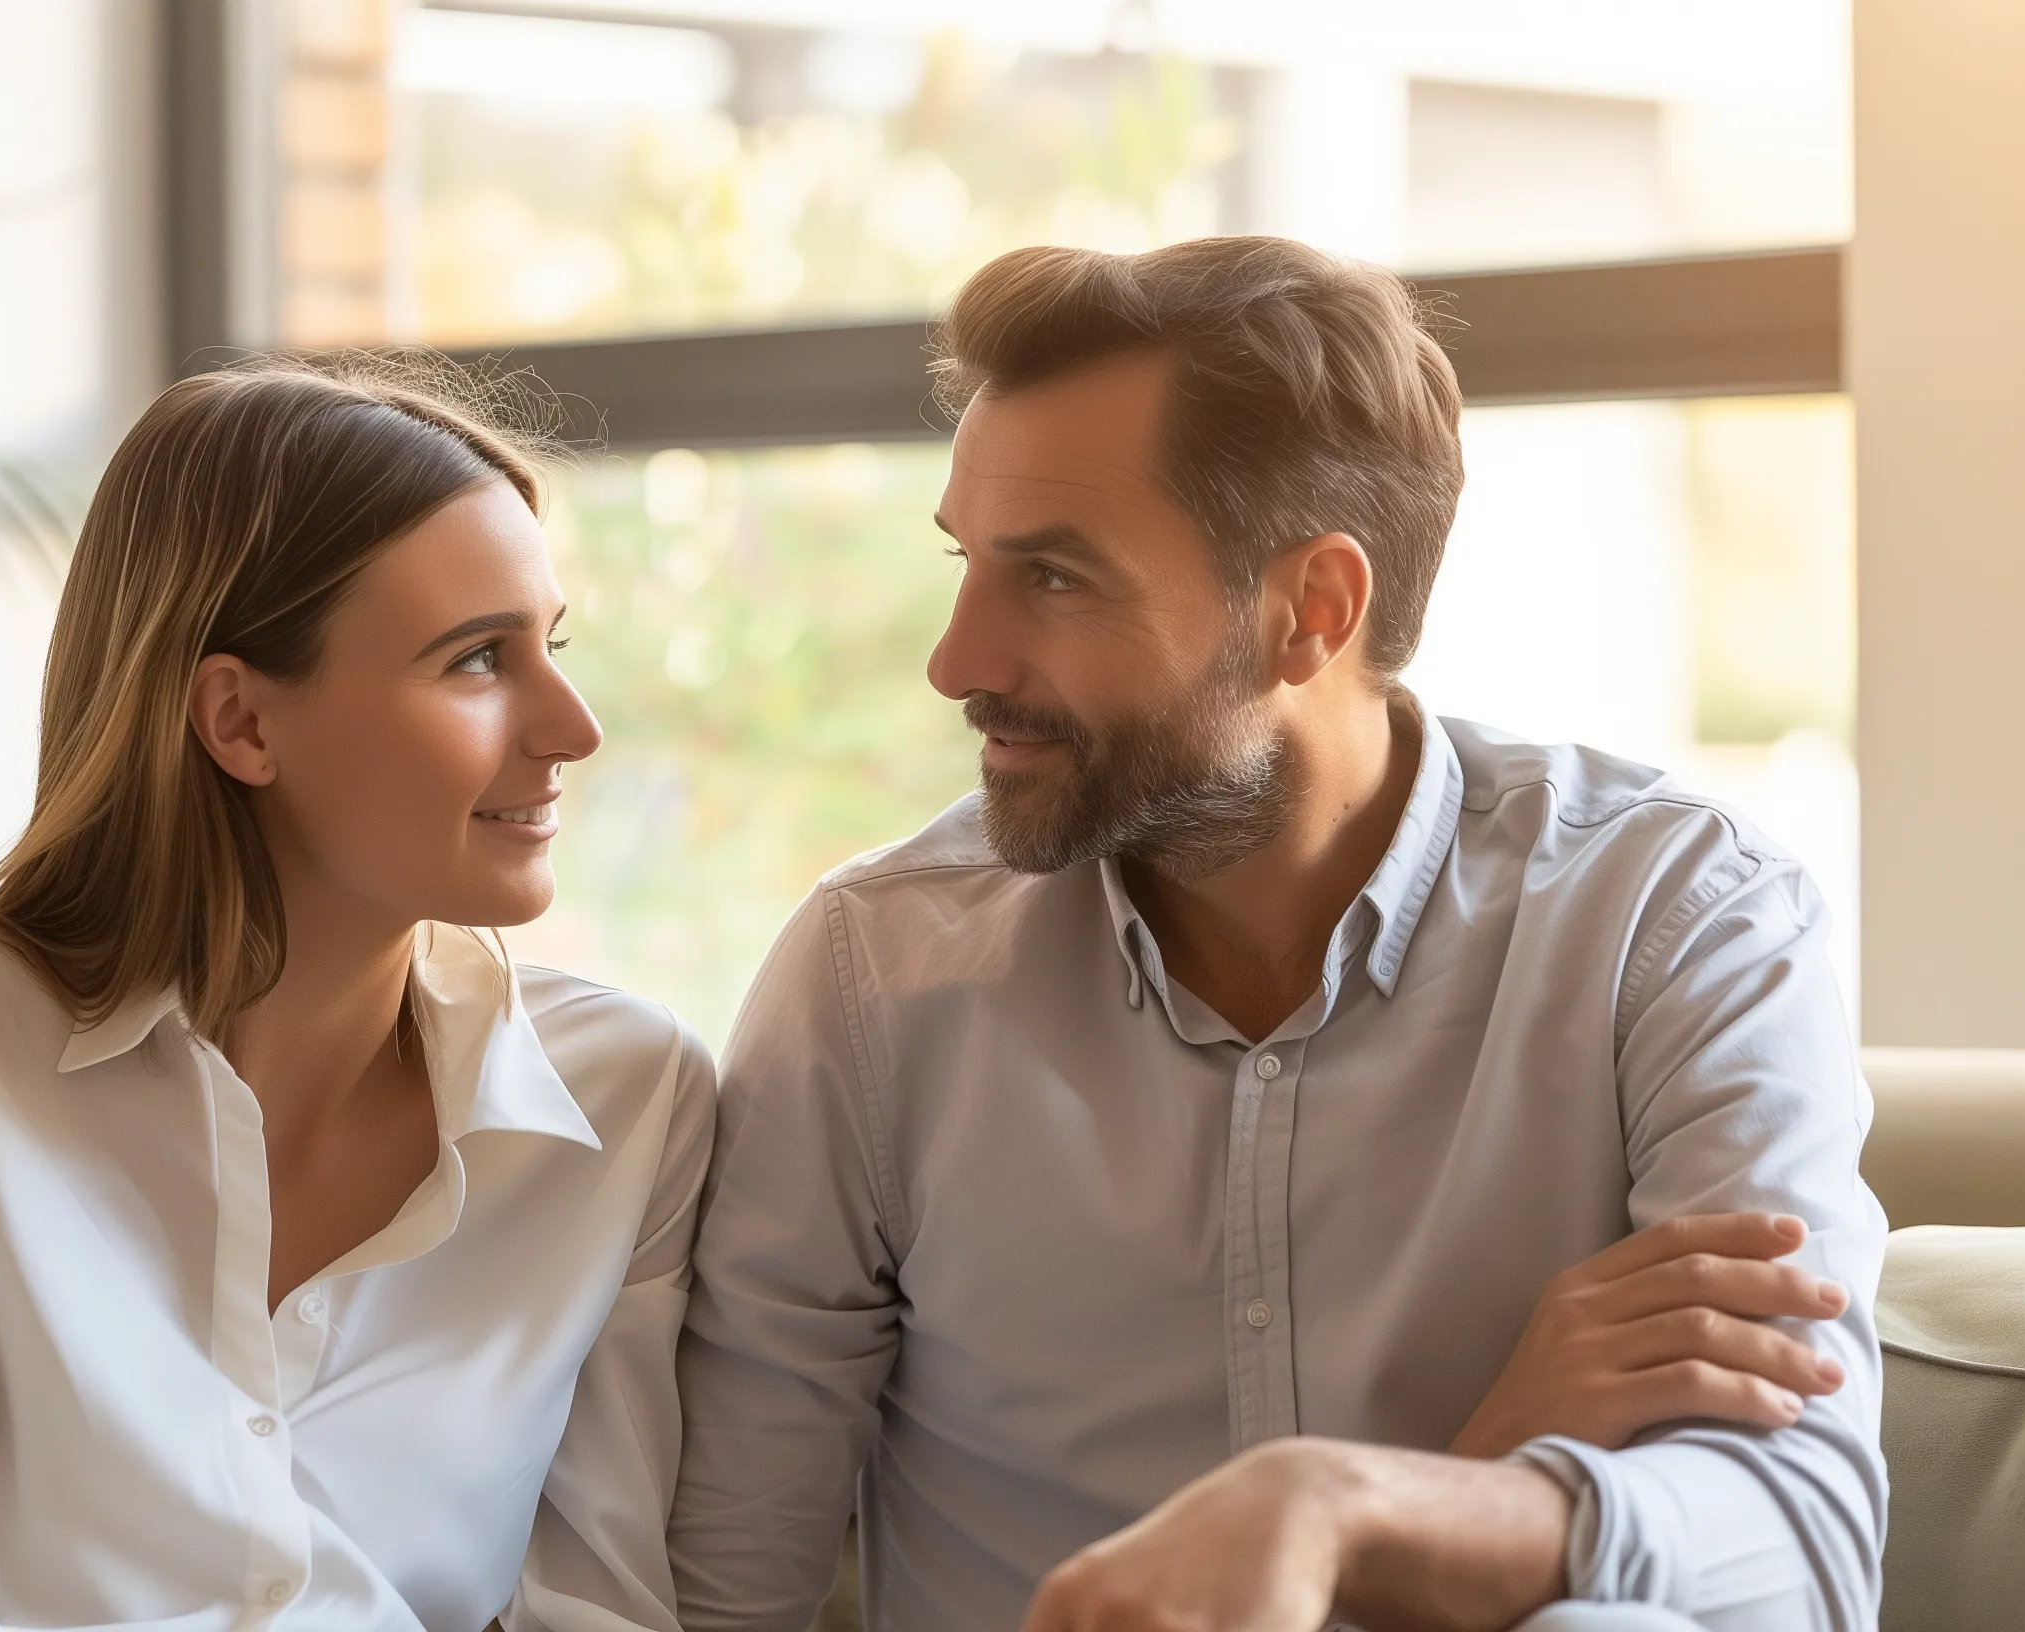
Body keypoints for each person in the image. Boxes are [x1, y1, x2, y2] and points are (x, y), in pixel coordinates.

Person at [668, 239, 1885, 1632]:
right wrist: (1445, 1486)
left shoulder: (1673, 924)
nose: (959, 660)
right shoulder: (872, 977)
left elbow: (1800, 1547)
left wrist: (1336, 1509)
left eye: (1055, 580)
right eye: (968, 565)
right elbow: (722, 1596)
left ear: (1313, 610)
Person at [0, 358, 712, 1632]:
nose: (571, 726)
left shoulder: (631, 1100)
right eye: (475, 661)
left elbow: (601, 1614)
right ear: (239, 722)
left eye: (551, 648)